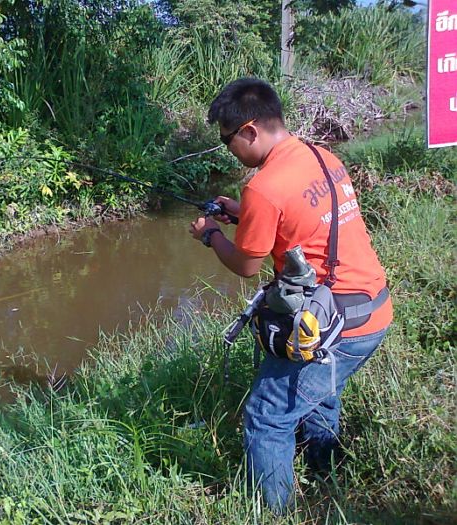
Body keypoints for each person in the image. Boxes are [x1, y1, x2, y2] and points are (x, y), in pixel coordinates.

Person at [188, 77, 393, 512]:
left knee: (266, 417)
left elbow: (245, 266)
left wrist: (211, 236)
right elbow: (305, 215)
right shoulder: (321, 154)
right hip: (371, 307)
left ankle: (274, 512)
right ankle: (326, 468)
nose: (230, 151)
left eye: (228, 142)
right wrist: (243, 214)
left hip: (338, 323)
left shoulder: (263, 186)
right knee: (320, 388)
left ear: (249, 131)